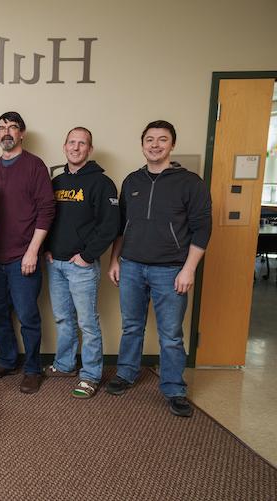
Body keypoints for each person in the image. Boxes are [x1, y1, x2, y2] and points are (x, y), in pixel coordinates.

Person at [107, 120, 212, 417]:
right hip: (131, 267)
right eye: (149, 139)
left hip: (171, 270)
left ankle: (174, 388)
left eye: (162, 139)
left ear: (172, 145)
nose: (155, 144)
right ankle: (126, 373)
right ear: (142, 144)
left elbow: (202, 229)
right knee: (131, 326)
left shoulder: (190, 182)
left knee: (171, 334)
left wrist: (189, 269)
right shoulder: (131, 181)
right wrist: (115, 260)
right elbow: (121, 228)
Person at [44, 127, 119, 398]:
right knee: (63, 318)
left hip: (82, 266)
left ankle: (90, 375)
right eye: (72, 143)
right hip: (56, 264)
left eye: (82, 143)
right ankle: (65, 364)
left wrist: (87, 256)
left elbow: (110, 225)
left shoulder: (102, 183)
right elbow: (48, 219)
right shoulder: (57, 182)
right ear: (64, 147)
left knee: (87, 322)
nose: (76, 147)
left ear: (90, 149)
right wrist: (48, 249)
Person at [0, 111, 55, 394]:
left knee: (28, 317)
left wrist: (32, 252)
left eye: (12, 127)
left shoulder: (35, 166)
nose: (6, 132)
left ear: (22, 133)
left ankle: (33, 369)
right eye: (1, 128)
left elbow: (47, 211)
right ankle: (7, 360)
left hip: (23, 258)